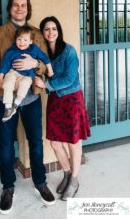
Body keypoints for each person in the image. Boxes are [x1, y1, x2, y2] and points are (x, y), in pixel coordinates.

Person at [0, 0, 55, 215]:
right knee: (6, 144)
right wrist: (6, 82)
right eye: (15, 5)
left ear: (28, 8)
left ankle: (40, 183)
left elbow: (45, 64)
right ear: (10, 8)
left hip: (31, 98)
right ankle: (7, 187)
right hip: (4, 97)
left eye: (23, 5)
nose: (19, 8)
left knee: (36, 141)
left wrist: (36, 65)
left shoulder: (36, 34)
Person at [35, 16, 91, 201]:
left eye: (54, 28)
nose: (51, 32)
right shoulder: (43, 54)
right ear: (42, 33)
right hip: (56, 102)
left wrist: (46, 86)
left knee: (73, 142)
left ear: (58, 31)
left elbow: (69, 78)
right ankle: (66, 174)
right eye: (47, 29)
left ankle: (74, 180)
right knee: (56, 143)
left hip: (72, 101)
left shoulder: (69, 51)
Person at [0, 25, 54, 122]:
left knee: (25, 84)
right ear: (15, 39)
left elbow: (45, 58)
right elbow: (4, 65)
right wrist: (0, 79)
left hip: (27, 74)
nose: (21, 42)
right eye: (19, 39)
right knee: (7, 82)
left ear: (31, 41)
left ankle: (15, 105)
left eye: (25, 40)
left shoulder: (34, 49)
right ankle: (8, 108)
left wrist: (50, 70)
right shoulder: (11, 51)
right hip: (13, 72)